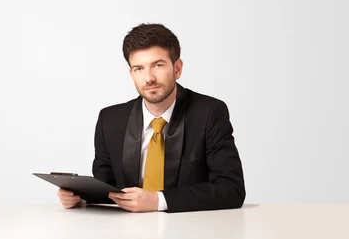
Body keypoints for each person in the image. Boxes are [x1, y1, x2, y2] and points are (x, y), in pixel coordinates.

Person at [57, 23, 245, 213]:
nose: (149, 78)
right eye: (139, 68)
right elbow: (108, 189)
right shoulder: (110, 120)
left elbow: (232, 189)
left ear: (177, 68)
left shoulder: (209, 113)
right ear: (131, 73)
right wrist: (80, 198)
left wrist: (158, 201)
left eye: (158, 65)